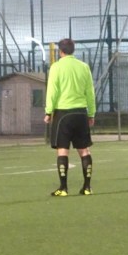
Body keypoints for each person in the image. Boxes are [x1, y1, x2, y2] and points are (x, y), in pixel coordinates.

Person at [44, 38, 95, 196]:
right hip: (81, 113)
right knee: (84, 151)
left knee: (62, 151)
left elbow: (52, 91)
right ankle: (87, 187)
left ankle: (63, 188)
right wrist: (91, 113)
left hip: (63, 114)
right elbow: (90, 92)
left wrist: (48, 112)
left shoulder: (56, 67)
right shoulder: (84, 67)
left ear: (60, 51)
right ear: (73, 50)